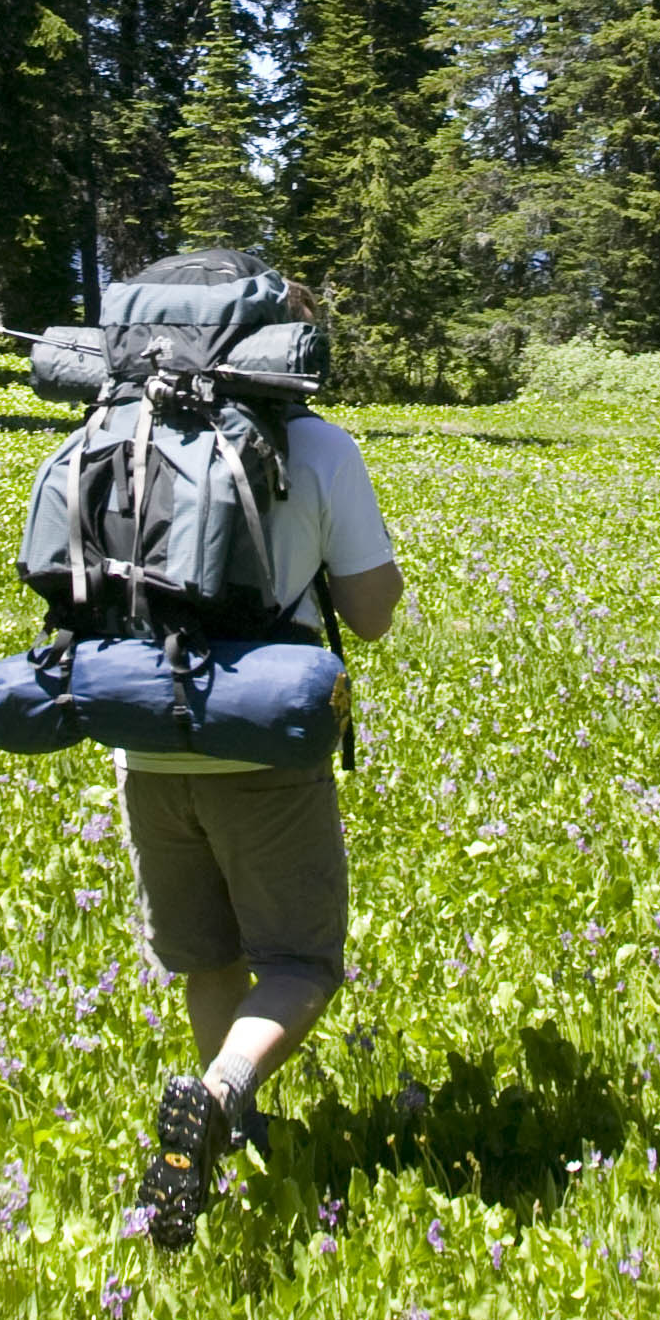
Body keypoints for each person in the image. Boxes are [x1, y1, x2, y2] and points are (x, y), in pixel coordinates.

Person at [124, 384, 403, 1251]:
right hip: (263, 744)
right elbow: (373, 612)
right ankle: (216, 1099)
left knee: (210, 958)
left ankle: (229, 1147)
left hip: (142, 738)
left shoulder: (127, 427)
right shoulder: (321, 448)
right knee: (302, 962)